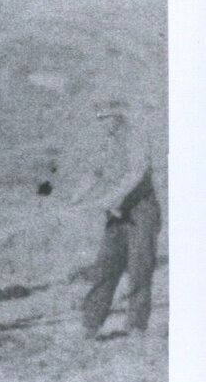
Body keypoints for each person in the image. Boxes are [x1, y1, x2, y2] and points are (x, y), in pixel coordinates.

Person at [69, 101, 161, 338]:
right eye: (98, 119)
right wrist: (75, 199)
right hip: (116, 213)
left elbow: (136, 173)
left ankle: (136, 328)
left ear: (117, 117)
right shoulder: (107, 142)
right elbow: (95, 172)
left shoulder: (136, 138)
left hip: (141, 212)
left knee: (139, 269)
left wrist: (110, 198)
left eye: (105, 118)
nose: (101, 124)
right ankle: (90, 326)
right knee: (105, 268)